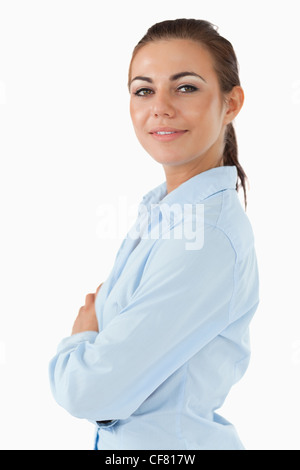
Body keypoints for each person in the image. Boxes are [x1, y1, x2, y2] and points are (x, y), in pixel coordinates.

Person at [49, 18, 260, 450]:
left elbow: (89, 392)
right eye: (144, 90)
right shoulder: (165, 213)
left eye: (185, 87)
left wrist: (81, 341)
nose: (160, 107)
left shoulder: (205, 237)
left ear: (231, 103)